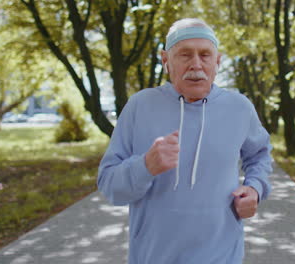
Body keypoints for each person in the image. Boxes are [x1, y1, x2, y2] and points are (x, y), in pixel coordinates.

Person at [97, 18, 273, 264]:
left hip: (222, 256)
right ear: (166, 61)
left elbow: (260, 155)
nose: (196, 65)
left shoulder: (239, 108)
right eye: (185, 55)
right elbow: (109, 185)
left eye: (205, 55)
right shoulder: (140, 106)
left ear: (218, 62)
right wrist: (145, 166)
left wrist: (255, 188)